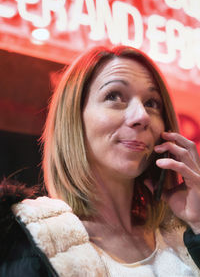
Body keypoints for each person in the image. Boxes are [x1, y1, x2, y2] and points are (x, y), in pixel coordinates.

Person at [0, 45, 200, 277]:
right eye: (114, 96)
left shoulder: (184, 234)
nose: (142, 116)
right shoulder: (27, 238)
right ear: (74, 118)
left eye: (151, 103)